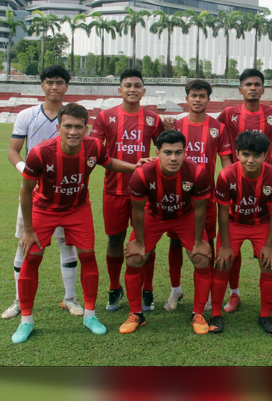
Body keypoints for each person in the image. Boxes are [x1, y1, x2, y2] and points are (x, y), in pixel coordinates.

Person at [14, 103, 141, 343]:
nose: (73, 132)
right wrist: (28, 230)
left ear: (86, 129)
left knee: (88, 256)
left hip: (77, 209)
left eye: (79, 127)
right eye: (68, 126)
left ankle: (90, 316)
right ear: (58, 128)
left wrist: (134, 167)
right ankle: (26, 321)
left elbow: (109, 163)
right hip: (45, 209)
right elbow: (26, 191)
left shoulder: (94, 146)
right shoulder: (40, 153)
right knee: (32, 258)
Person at [4, 66, 83, 320]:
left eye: (60, 82)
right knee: (26, 244)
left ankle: (70, 298)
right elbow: (13, 150)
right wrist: (27, 171)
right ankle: (19, 300)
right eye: (49, 82)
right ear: (42, 85)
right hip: (33, 192)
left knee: (66, 245)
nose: (54, 87)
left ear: (67, 86)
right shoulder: (27, 115)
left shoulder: (73, 116)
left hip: (65, 193)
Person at [119, 130, 214, 335]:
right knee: (134, 258)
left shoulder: (197, 173)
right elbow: (137, 210)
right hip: (153, 215)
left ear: (184, 152)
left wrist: (198, 241)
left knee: (202, 258)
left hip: (185, 216)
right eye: (168, 152)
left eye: (178, 152)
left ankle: (198, 313)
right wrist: (139, 241)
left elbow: (200, 210)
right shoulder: (142, 173)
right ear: (157, 153)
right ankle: (136, 314)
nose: (173, 158)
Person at [89, 69, 165, 314]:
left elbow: (165, 150)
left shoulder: (153, 119)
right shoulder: (105, 117)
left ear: (143, 91)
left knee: (146, 241)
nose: (132, 89)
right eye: (128, 85)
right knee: (114, 240)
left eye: (137, 86)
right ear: (119, 89)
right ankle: (114, 288)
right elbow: (95, 151)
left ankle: (147, 289)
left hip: (146, 192)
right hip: (114, 190)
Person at [216, 69, 272, 313]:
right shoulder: (228, 113)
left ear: (263, 89)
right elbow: (215, 132)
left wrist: (270, 154)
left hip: (265, 186)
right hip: (236, 182)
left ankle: (271, 297)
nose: (253, 88)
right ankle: (234, 294)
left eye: (257, 84)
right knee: (230, 254)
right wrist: (230, 167)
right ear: (240, 89)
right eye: (248, 84)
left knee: (269, 254)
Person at [213, 131, 272, 334]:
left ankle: (265, 315)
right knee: (222, 263)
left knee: (270, 264)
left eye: (257, 155)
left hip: (261, 223)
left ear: (265, 155)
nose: (250, 160)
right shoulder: (226, 175)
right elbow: (222, 212)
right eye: (245, 154)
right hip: (234, 223)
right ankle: (216, 314)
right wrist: (225, 246)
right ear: (237, 154)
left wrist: (269, 245)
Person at [169, 79, 233, 313]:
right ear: (186, 98)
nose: (197, 100)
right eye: (193, 95)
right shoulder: (175, 126)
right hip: (178, 197)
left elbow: (226, 162)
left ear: (208, 99)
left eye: (202, 96)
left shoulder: (218, 128)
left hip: (206, 198)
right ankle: (175, 289)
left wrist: (231, 187)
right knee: (175, 243)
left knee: (208, 244)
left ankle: (207, 293)